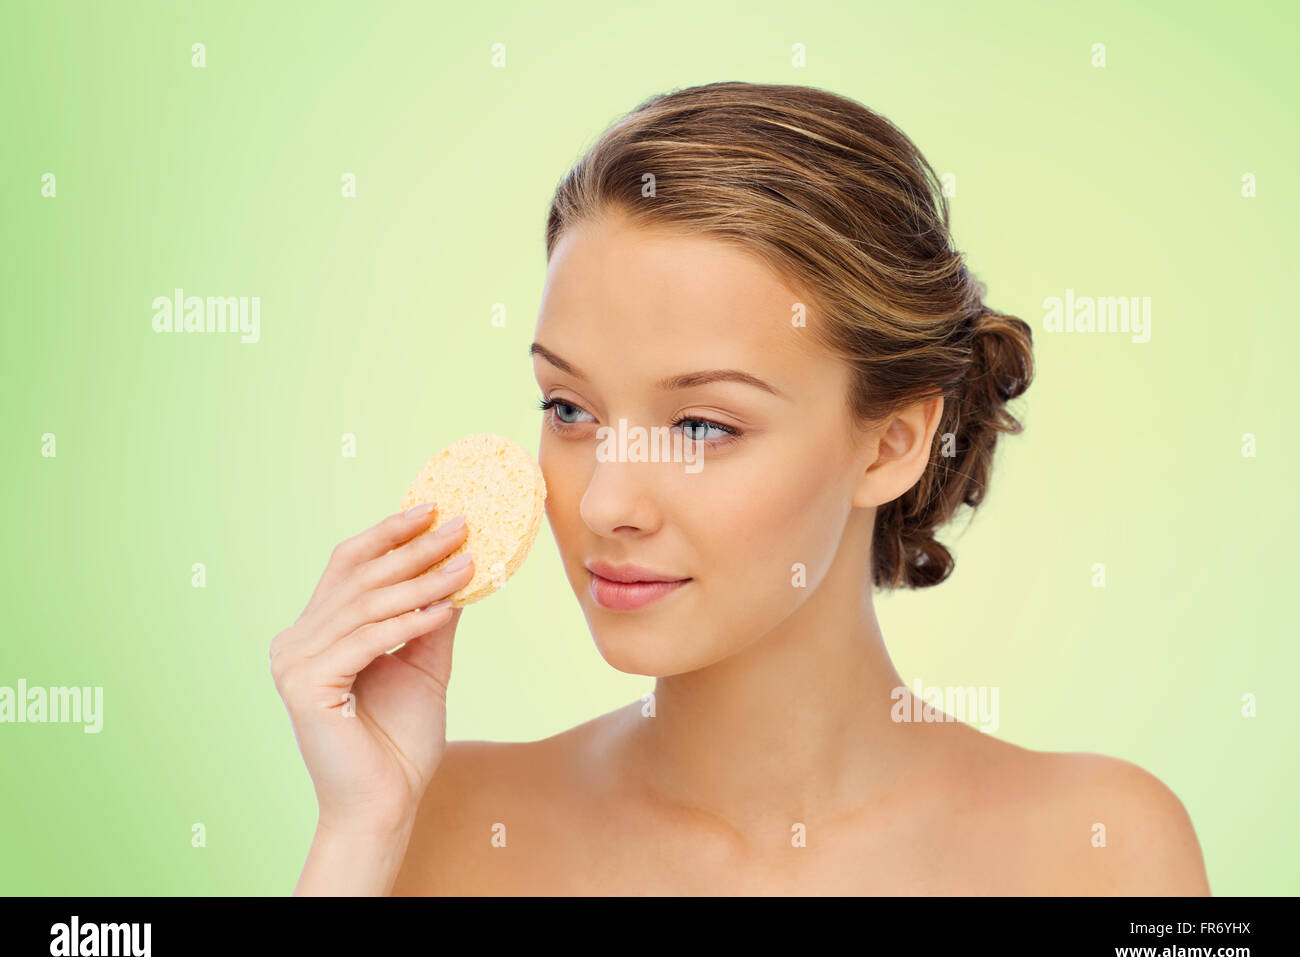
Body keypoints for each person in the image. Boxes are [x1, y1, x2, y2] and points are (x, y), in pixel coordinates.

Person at [273, 82, 1210, 895]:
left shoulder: (1102, 850)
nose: (604, 504)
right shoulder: (447, 825)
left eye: (701, 427)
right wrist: (359, 836)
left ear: (891, 443)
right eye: (568, 408)